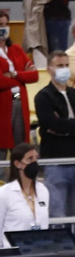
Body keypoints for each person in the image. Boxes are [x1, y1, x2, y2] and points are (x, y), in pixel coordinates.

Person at [34, 52, 75, 214]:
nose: (64, 69)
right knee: (57, 213)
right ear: (49, 69)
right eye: (60, 66)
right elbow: (51, 124)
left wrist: (64, 126)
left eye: (66, 65)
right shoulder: (43, 97)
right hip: (56, 162)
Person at [0, 142, 48, 247]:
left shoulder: (43, 190)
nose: (34, 163)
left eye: (36, 159)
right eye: (30, 159)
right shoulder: (4, 193)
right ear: (18, 164)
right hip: (13, 251)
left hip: (39, 250)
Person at [0, 10, 35, 151]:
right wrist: (22, 77)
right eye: (0, 24)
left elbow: (34, 75)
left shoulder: (16, 49)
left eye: (6, 24)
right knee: (2, 147)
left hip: (20, 101)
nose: (4, 27)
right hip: (3, 105)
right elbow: (1, 82)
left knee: (20, 148)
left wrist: (13, 74)